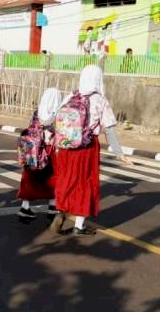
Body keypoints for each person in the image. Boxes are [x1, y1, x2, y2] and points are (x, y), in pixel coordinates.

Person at [51, 65, 132, 237]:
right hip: (87, 148)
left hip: (66, 147)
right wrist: (120, 154)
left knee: (66, 181)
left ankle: (61, 212)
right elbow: (109, 130)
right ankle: (78, 226)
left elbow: (57, 122)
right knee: (85, 184)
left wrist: (56, 144)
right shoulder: (100, 101)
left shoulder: (70, 96)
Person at [17, 88, 61, 222]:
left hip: (33, 150)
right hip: (49, 149)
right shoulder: (57, 115)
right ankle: (52, 208)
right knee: (54, 177)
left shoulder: (37, 112)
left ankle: (25, 207)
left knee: (30, 177)